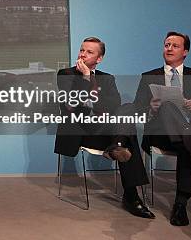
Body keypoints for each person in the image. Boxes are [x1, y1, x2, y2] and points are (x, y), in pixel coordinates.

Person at [55, 37, 153, 218]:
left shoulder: (107, 79)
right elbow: (70, 106)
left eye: (89, 52)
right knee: (127, 137)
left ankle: (118, 144)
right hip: (81, 131)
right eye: (82, 50)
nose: (82, 54)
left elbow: (114, 106)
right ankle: (131, 196)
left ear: (99, 59)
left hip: (104, 130)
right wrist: (85, 79)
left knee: (128, 108)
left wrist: (94, 102)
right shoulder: (65, 74)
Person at [134, 31, 191, 226]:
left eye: (175, 45)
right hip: (161, 134)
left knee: (187, 142)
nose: (169, 48)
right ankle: (190, 139)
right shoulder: (148, 76)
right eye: (166, 45)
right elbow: (137, 109)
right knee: (168, 106)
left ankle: (180, 204)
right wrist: (151, 109)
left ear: (185, 51)